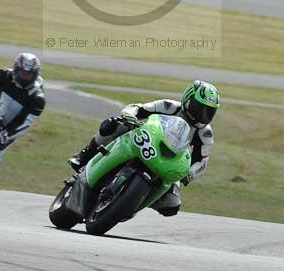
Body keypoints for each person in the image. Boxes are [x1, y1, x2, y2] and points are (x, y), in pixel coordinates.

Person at [68, 79, 220, 217]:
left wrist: (190, 173)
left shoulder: (205, 133)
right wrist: (129, 115)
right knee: (113, 125)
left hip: (170, 160)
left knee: (171, 205)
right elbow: (138, 108)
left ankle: (135, 200)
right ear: (188, 100)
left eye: (209, 111)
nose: (203, 115)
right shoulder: (169, 106)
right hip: (147, 138)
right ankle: (84, 156)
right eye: (199, 108)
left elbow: (202, 163)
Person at [0, 52, 45, 172]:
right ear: (16, 70)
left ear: (35, 74)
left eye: (28, 74)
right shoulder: (4, 75)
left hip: (7, 130)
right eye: (22, 73)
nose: (25, 77)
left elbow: (25, 123)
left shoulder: (37, 98)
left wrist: (6, 134)